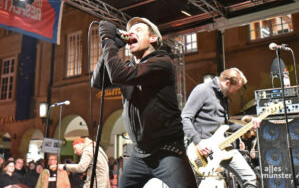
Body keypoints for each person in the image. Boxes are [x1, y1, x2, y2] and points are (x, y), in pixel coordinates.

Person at [92, 17, 197, 188]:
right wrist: (112, 46)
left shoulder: (162, 63)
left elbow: (119, 75)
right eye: (130, 31)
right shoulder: (129, 67)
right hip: (139, 154)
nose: (132, 32)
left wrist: (107, 40)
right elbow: (97, 82)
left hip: (167, 151)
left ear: (153, 38)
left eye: (139, 30)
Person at [181, 68, 262, 188]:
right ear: (227, 83)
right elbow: (185, 118)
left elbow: (226, 124)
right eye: (236, 89)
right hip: (202, 150)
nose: (235, 92)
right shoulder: (202, 90)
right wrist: (198, 142)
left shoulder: (224, 97)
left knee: (249, 178)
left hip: (223, 148)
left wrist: (248, 126)